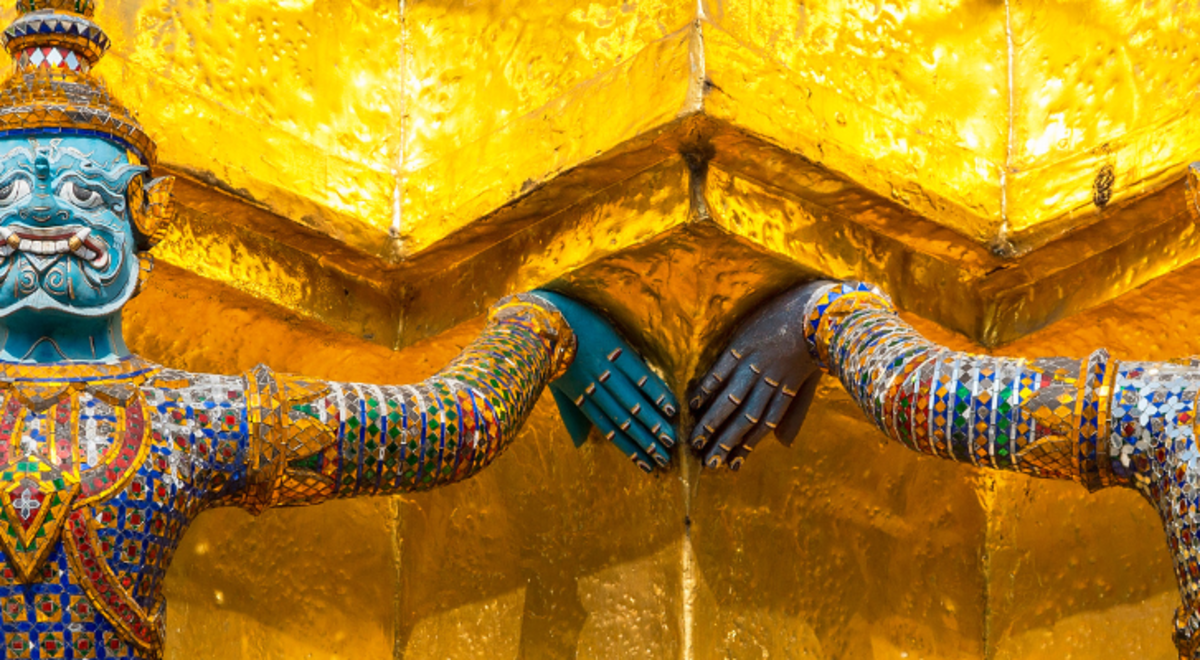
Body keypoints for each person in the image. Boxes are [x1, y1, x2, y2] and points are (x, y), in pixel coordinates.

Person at [0, 2, 676, 657]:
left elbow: (446, 426)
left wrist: (544, 326)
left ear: (142, 218)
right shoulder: (187, 420)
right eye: (8, 195)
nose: (39, 212)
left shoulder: (188, 418)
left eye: (84, 192)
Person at [690, 279, 1200, 658]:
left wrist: (826, 318)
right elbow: (922, 397)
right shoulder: (1169, 413)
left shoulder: (1166, 411)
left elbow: (917, 395)